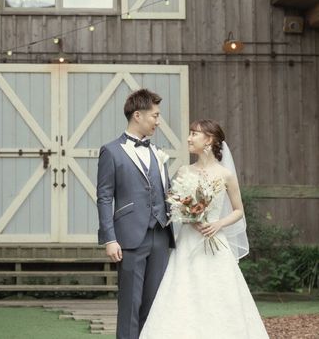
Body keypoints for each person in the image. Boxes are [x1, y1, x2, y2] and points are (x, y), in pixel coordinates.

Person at [139, 119, 269, 339]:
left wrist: (218, 223)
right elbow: (173, 205)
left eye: (194, 134)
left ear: (209, 140)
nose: (189, 138)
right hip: (188, 241)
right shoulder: (184, 171)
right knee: (182, 291)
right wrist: (189, 217)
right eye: (190, 133)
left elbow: (238, 210)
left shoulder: (225, 175)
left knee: (219, 294)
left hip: (215, 243)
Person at [96, 88, 175, 339]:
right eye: (155, 116)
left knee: (154, 305)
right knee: (130, 304)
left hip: (160, 235)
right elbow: (104, 197)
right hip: (129, 238)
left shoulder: (157, 152)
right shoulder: (111, 151)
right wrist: (110, 239)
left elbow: (166, 192)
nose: (158, 122)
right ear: (138, 115)